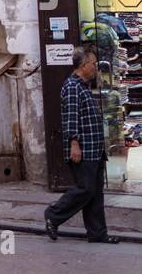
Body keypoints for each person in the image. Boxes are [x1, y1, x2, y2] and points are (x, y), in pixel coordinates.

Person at [44, 46, 118, 245]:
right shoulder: (72, 87)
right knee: (85, 189)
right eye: (93, 64)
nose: (96, 68)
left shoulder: (83, 85)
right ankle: (53, 214)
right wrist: (74, 144)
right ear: (83, 65)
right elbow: (70, 119)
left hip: (95, 149)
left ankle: (97, 234)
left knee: (95, 193)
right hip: (83, 150)